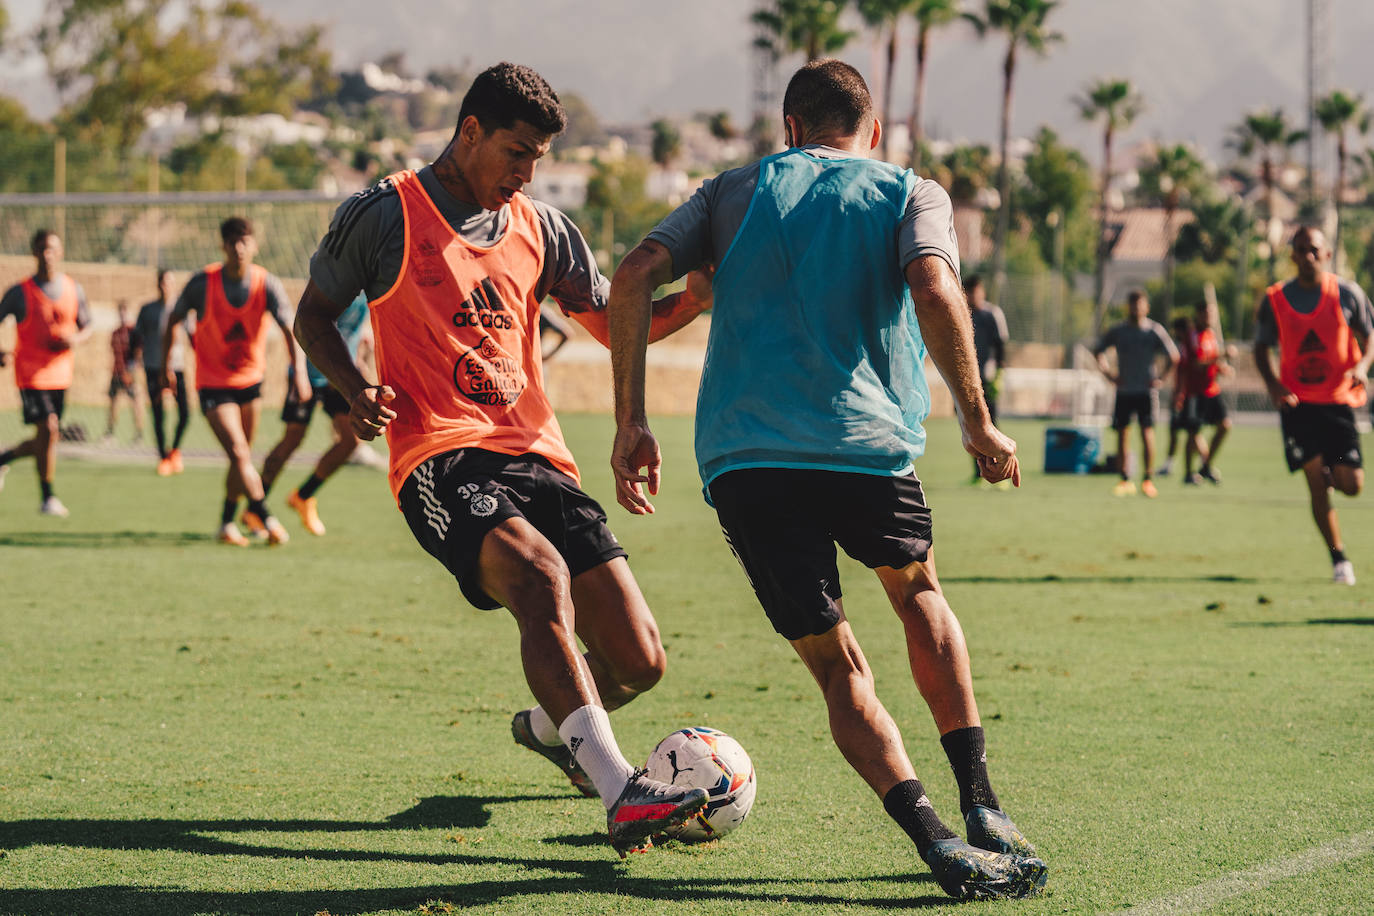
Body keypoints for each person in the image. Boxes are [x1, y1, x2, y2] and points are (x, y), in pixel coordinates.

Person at [607, 59, 1047, 901]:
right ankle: (983, 804)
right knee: (919, 597)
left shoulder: (729, 191)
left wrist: (633, 420)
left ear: (790, 129)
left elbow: (632, 276)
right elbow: (933, 287)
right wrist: (978, 421)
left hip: (747, 462)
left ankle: (935, 839)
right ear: (871, 130)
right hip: (866, 448)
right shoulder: (909, 191)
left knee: (838, 665)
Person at [293, 62, 712, 857]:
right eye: (516, 152)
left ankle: (551, 730)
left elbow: (613, 324)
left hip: (539, 457)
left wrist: (690, 303)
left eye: (538, 159)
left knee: (639, 660)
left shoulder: (544, 229)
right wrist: (352, 389)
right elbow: (313, 315)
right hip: (440, 457)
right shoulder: (386, 214)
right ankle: (621, 792)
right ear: (470, 132)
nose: (526, 173)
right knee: (539, 576)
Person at [162, 217, 306, 546]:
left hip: (250, 383)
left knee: (240, 458)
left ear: (254, 245)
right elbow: (172, 320)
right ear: (223, 246)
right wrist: (168, 365)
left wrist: (298, 372)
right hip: (213, 384)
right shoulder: (203, 283)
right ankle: (265, 517)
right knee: (240, 453)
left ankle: (227, 523)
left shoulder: (266, 284)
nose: (239, 248)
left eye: (244, 241)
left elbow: (289, 330)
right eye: (232, 242)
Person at [1254, 226, 1374, 585]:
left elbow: (1370, 336)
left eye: (1314, 250)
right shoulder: (1275, 298)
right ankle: (1339, 560)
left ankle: (1333, 472)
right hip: (1298, 405)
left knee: (1352, 484)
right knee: (1316, 484)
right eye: (1301, 250)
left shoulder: (1348, 293)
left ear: (1327, 254)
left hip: (1338, 402)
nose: (1308, 256)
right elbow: (1260, 348)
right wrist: (1273, 384)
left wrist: (1362, 366)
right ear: (1292, 255)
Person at [257, 293, 371, 536]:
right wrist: (299, 373)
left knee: (351, 441)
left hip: (340, 376)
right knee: (292, 439)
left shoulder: (370, 291)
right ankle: (256, 506)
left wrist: (359, 359)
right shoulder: (333, 283)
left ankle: (303, 496)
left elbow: (354, 330)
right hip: (309, 373)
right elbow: (307, 323)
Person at [0, 229, 92, 516]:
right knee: (49, 428)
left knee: (48, 437)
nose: (47, 254)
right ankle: (48, 497)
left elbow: (87, 326)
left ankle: (4, 458)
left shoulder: (74, 289)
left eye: (52, 248)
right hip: (31, 374)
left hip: (61, 374)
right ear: (34, 252)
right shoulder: (20, 292)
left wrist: (74, 339)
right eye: (42, 248)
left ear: (61, 252)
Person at [1092, 290, 1178, 498]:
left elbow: (1174, 356)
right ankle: (1124, 479)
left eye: (1139, 305)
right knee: (1123, 433)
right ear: (1128, 307)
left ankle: (1148, 479)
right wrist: (1109, 375)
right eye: (1132, 305)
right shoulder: (1119, 330)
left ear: (1146, 307)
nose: (1135, 309)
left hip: (1146, 392)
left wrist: (1162, 378)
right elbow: (1098, 351)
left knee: (1146, 432)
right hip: (1124, 391)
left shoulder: (1154, 331)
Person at [135, 269, 192, 476]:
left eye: (169, 282)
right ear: (158, 285)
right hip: (153, 367)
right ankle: (163, 458)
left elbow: (193, 336)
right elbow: (137, 338)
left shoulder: (182, 310)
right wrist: (133, 363)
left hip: (177, 367)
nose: (165, 286)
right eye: (162, 282)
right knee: (158, 414)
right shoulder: (147, 310)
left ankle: (174, 450)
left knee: (185, 413)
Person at [1181, 299, 1231, 485]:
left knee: (1225, 426)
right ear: (1199, 314)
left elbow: (1212, 362)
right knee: (1193, 432)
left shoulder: (1211, 334)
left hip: (1212, 390)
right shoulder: (1192, 335)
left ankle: (1206, 465)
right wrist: (1221, 356)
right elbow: (1197, 363)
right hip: (1195, 392)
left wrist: (1222, 368)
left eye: (1212, 314)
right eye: (1206, 314)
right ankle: (1188, 473)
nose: (1209, 317)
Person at [966, 274, 1008, 483]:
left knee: (992, 424)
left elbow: (1001, 346)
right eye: (969, 292)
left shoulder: (992, 314)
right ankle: (978, 473)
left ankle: (1000, 471)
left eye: (976, 291)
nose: (973, 296)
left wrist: (999, 374)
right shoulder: (963, 313)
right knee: (971, 426)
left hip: (988, 379)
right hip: (969, 380)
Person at [1155, 315, 1193, 478]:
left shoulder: (1186, 347)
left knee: (1188, 431)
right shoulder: (1185, 346)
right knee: (1185, 431)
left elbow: (1184, 372)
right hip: (1184, 395)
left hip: (1185, 396)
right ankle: (1204, 463)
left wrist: (1179, 394)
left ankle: (1204, 463)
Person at [103, 300, 146, 444]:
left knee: (137, 401)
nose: (122, 315)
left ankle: (139, 434)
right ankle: (110, 432)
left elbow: (138, 353)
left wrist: (131, 371)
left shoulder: (133, 332)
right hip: (116, 372)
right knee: (113, 402)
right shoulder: (115, 333)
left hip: (129, 373)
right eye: (120, 313)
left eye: (124, 312)